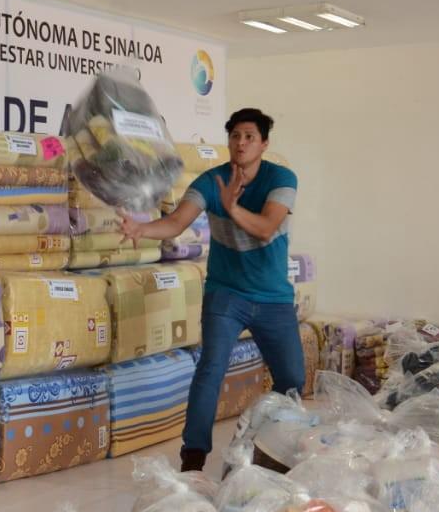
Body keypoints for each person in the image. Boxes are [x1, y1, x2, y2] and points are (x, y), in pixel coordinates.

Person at [119, 107, 303, 472]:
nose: (241, 143)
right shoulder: (211, 181)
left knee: (293, 380)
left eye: (249, 137)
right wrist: (142, 229)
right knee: (210, 369)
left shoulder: (282, 178)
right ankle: (193, 458)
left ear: (263, 144)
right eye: (235, 136)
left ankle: (271, 450)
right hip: (226, 294)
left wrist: (232, 208)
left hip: (273, 298)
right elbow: (176, 222)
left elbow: (266, 227)